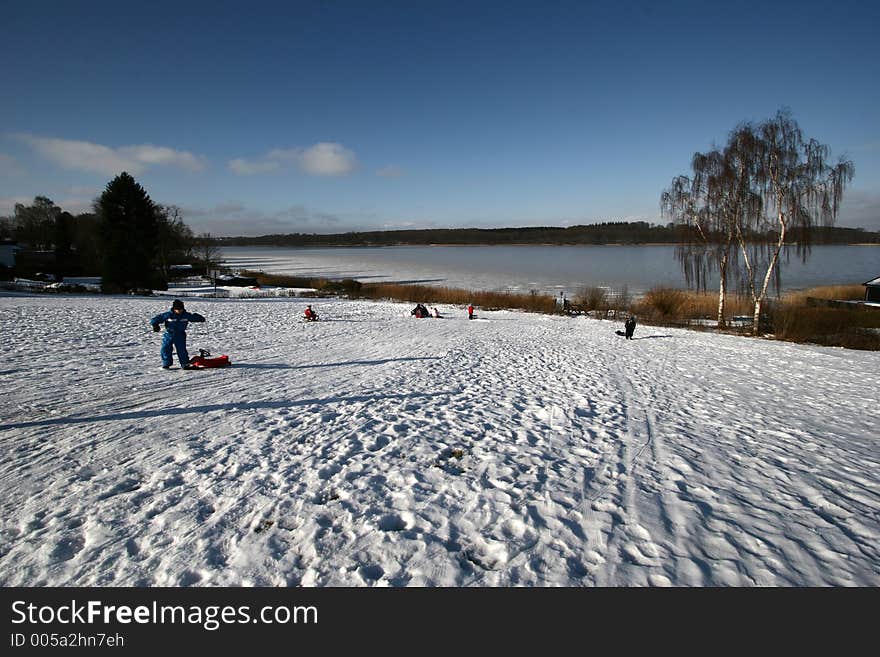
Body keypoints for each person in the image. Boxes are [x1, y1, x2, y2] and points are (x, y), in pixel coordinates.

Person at [150, 299, 206, 369]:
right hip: (169, 334)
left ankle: (184, 363)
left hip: (180, 335)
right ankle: (166, 363)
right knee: (165, 348)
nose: (179, 311)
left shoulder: (186, 315)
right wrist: (155, 325)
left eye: (180, 309)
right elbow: (156, 319)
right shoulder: (168, 315)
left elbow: (194, 317)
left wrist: (201, 318)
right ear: (174, 309)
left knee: (181, 350)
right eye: (177, 309)